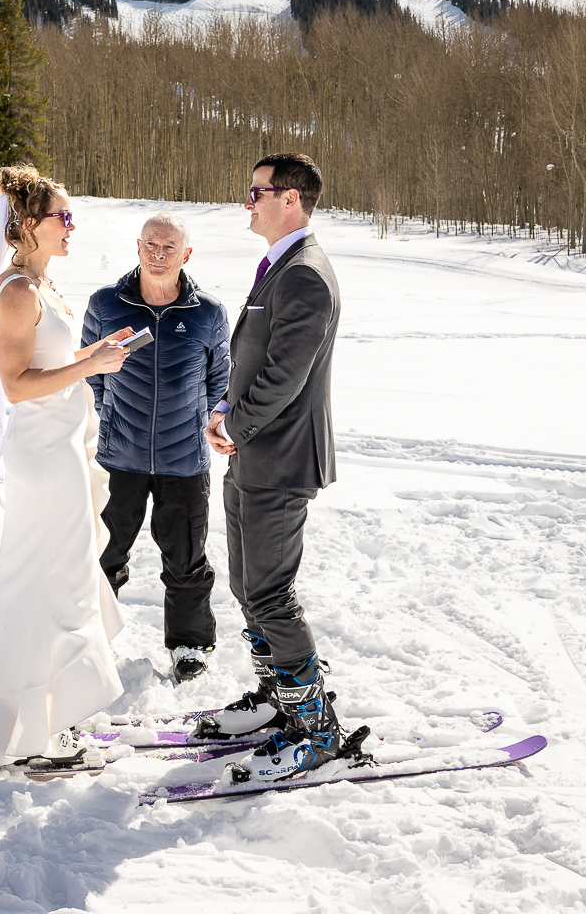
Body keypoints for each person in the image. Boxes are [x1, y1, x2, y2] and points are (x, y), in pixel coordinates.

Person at [0, 165, 132, 768]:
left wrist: (94, 353)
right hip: (41, 456)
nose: (72, 224)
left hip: (63, 448)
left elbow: (50, 360)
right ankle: (12, 726)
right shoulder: (16, 291)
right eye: (62, 215)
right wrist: (89, 367)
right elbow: (15, 385)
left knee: (58, 582)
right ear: (27, 225)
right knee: (40, 587)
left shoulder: (45, 287)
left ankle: (39, 720)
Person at [204, 152, 342, 781]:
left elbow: (288, 373)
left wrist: (237, 423)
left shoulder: (306, 274)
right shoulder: (280, 267)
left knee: (270, 594)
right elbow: (258, 359)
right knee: (245, 586)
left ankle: (315, 731)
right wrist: (228, 410)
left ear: (289, 198)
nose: (247, 202)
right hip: (254, 453)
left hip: (282, 458)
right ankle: (276, 701)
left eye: (254, 191)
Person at [82, 212, 230, 682]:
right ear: (138, 247)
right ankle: (90, 640)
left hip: (183, 461)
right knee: (103, 553)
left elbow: (219, 380)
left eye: (170, 247)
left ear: (186, 254)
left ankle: (189, 646)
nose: (159, 254)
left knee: (186, 557)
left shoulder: (207, 312)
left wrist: (207, 422)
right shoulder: (107, 304)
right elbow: (89, 375)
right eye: (151, 244)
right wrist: (110, 421)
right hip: (117, 458)